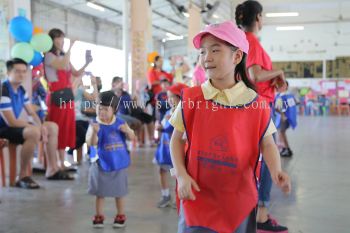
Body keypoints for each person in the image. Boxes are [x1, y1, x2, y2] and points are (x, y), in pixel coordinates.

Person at [169, 21, 291, 233]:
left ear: (237, 56)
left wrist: (276, 170)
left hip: (238, 201)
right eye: (203, 51)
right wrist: (181, 175)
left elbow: (268, 142)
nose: (207, 57)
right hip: (197, 197)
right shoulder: (192, 98)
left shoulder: (255, 103)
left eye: (215, 50)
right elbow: (177, 140)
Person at [236, 1, 289, 232]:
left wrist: (275, 79)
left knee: (255, 158)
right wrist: (278, 72)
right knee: (267, 160)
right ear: (258, 17)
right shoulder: (251, 40)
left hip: (253, 105)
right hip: (261, 107)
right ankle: (262, 214)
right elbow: (255, 75)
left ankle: (253, 210)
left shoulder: (242, 42)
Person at [0, 59, 73, 189]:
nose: (21, 75)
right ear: (8, 72)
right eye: (17, 71)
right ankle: (22, 176)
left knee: (52, 127)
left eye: (24, 72)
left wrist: (42, 126)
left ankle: (52, 169)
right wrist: (36, 128)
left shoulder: (21, 90)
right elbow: (11, 121)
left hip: (14, 126)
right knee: (33, 132)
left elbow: (32, 113)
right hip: (3, 128)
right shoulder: (3, 89)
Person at [44, 28, 92, 168]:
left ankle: (62, 162)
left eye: (62, 38)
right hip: (57, 95)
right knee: (58, 127)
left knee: (66, 128)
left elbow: (76, 73)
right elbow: (62, 65)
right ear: (51, 40)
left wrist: (87, 62)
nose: (61, 41)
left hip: (67, 95)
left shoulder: (64, 56)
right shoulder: (49, 56)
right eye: (58, 38)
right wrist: (71, 47)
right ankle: (56, 164)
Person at [88, 91, 135, 228]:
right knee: (100, 193)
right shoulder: (95, 124)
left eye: (105, 109)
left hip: (118, 164)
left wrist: (128, 131)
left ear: (114, 109)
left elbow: (132, 137)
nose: (102, 112)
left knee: (119, 192)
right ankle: (99, 216)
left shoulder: (120, 122)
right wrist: (95, 133)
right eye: (99, 108)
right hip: (101, 164)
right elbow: (92, 143)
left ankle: (120, 215)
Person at [154, 83, 188, 208]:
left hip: (176, 151)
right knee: (162, 170)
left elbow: (172, 129)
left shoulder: (184, 112)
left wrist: (163, 127)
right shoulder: (169, 111)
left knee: (177, 173)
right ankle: (165, 195)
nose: (168, 100)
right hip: (164, 148)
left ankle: (178, 197)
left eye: (171, 97)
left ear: (180, 97)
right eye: (167, 97)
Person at [275, 82, 297, 157]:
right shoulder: (290, 96)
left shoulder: (281, 96)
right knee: (281, 133)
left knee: (281, 133)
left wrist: (282, 115)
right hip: (287, 118)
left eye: (282, 85)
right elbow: (294, 105)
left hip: (283, 118)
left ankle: (287, 149)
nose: (279, 87)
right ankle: (284, 148)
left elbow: (278, 108)